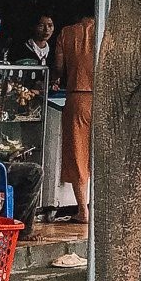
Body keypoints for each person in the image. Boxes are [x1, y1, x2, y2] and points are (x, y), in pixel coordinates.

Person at [52, 15, 96, 227]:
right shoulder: (106, 29)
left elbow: (59, 68)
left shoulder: (67, 33)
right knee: (100, 155)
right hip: (104, 98)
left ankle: (82, 210)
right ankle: (98, 207)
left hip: (77, 97)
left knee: (78, 153)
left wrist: (57, 78)